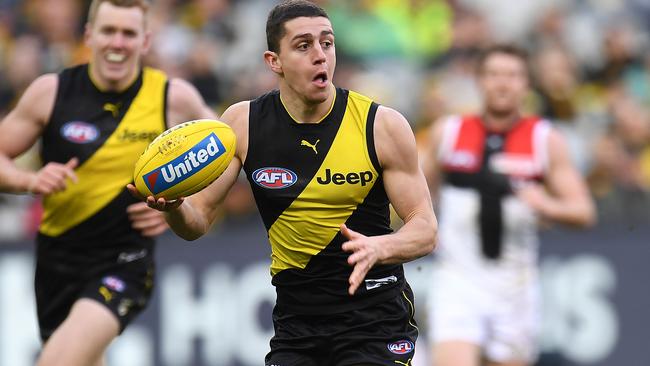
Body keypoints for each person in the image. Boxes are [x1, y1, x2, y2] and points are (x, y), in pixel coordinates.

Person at [128, 1, 437, 365]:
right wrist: (176, 205)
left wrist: (380, 248)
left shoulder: (381, 126)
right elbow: (197, 224)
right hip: (297, 326)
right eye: (304, 46)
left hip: (375, 320)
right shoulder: (242, 125)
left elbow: (426, 229)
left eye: (327, 43)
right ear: (273, 61)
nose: (320, 56)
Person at [0, 1, 215, 365]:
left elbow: (227, 151)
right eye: (109, 31)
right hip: (57, 258)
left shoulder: (172, 98)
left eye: (129, 33)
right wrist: (30, 179)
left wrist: (181, 209)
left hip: (124, 260)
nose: (118, 43)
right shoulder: (51, 92)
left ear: (145, 41)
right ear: (89, 35)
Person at [420, 44, 596, 366]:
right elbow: (413, 191)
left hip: (515, 286)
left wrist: (546, 204)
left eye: (512, 76)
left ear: (526, 85)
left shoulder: (545, 139)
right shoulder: (448, 132)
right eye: (494, 75)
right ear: (479, 81)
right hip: (458, 280)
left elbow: (583, 212)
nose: (503, 84)